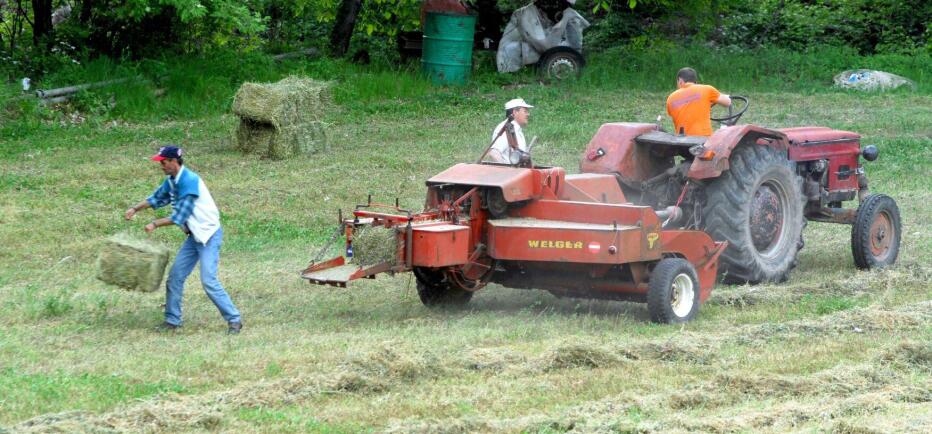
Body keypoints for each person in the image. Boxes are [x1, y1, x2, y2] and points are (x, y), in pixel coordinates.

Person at [124, 145, 242, 334]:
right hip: (194, 236)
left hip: (209, 235)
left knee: (209, 281)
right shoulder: (172, 181)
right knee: (175, 277)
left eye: (163, 162)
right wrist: (135, 208)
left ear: (173, 162)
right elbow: (157, 198)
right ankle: (172, 321)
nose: (160, 166)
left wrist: (154, 224)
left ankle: (234, 319)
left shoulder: (189, 181)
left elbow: (179, 216)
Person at [496, 0, 589, 73]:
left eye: (566, 5)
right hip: (511, 63)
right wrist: (564, 20)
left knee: (563, 44)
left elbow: (576, 49)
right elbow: (546, 49)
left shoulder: (559, 14)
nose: (563, 8)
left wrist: (570, 20)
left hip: (533, 55)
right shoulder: (525, 14)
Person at [666, 67, 732, 136]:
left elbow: (680, 111)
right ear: (695, 82)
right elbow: (728, 102)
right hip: (704, 140)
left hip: (682, 141)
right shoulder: (707, 89)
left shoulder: (670, 98)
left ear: (680, 81)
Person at [487, 98, 533, 164]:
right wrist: (506, 170)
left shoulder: (517, 129)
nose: (528, 114)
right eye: (525, 111)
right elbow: (494, 152)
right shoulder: (505, 128)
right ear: (515, 112)